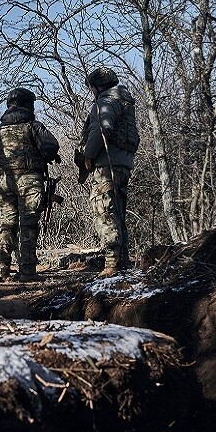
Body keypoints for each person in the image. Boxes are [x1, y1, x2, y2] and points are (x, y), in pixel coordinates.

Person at [0, 87, 60, 282]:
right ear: (28, 105)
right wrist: (47, 157)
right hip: (29, 182)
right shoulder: (33, 125)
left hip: (5, 182)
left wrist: (0, 165)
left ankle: (2, 270)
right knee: (28, 226)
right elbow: (50, 146)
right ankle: (27, 271)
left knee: (6, 226)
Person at [79, 67, 140, 277]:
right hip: (123, 164)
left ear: (98, 86)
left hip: (107, 165)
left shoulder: (106, 101)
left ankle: (112, 264)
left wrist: (88, 155)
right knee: (118, 212)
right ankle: (122, 260)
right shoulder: (125, 101)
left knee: (104, 212)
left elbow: (102, 129)